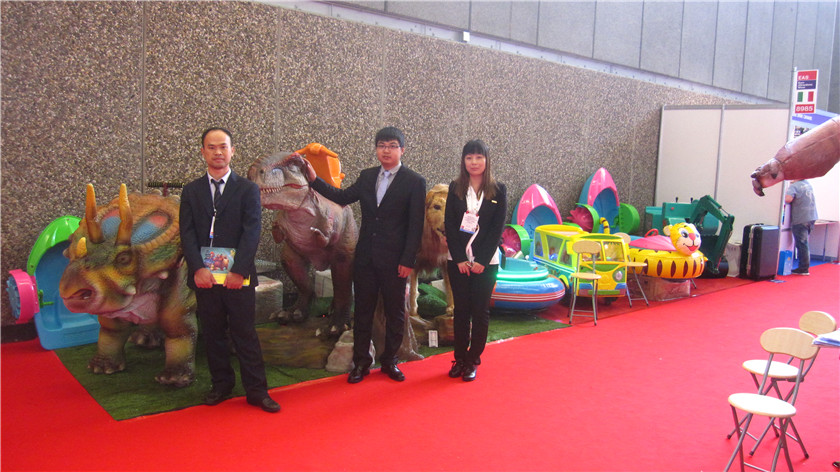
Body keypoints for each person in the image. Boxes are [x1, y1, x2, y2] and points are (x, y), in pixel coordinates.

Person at [300, 127, 426, 383]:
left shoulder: (414, 181)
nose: (386, 150)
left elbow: (415, 226)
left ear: (402, 150)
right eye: (381, 145)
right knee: (363, 311)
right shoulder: (367, 176)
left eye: (392, 145)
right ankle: (361, 363)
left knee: (395, 313)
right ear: (376, 149)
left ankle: (390, 361)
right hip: (366, 257)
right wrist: (313, 179)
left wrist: (408, 260)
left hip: (396, 261)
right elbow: (342, 196)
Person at [180, 128, 280, 413]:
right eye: (211, 147)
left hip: (238, 276)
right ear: (203, 151)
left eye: (223, 147)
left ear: (232, 151)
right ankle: (221, 385)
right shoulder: (192, 191)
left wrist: (240, 271)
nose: (218, 152)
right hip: (205, 277)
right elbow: (187, 233)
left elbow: (252, 231)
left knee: (244, 333)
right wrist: (197, 268)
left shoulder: (247, 189)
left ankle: (257, 390)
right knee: (212, 333)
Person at [443, 140, 507, 381]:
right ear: (463, 161)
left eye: (479, 157)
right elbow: (449, 224)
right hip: (458, 260)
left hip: (485, 262)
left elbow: (497, 228)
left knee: (480, 312)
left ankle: (473, 360)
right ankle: (459, 358)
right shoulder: (455, 187)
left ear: (487, 160)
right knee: (461, 311)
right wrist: (460, 258)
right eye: (469, 157)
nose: (474, 162)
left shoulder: (498, 190)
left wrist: (481, 259)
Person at [785, 179, 818, 275]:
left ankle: (803, 268)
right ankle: (804, 267)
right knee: (804, 243)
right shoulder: (807, 183)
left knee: (802, 244)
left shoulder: (794, 186)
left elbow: (787, 199)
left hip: (801, 218)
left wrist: (788, 189)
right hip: (811, 217)